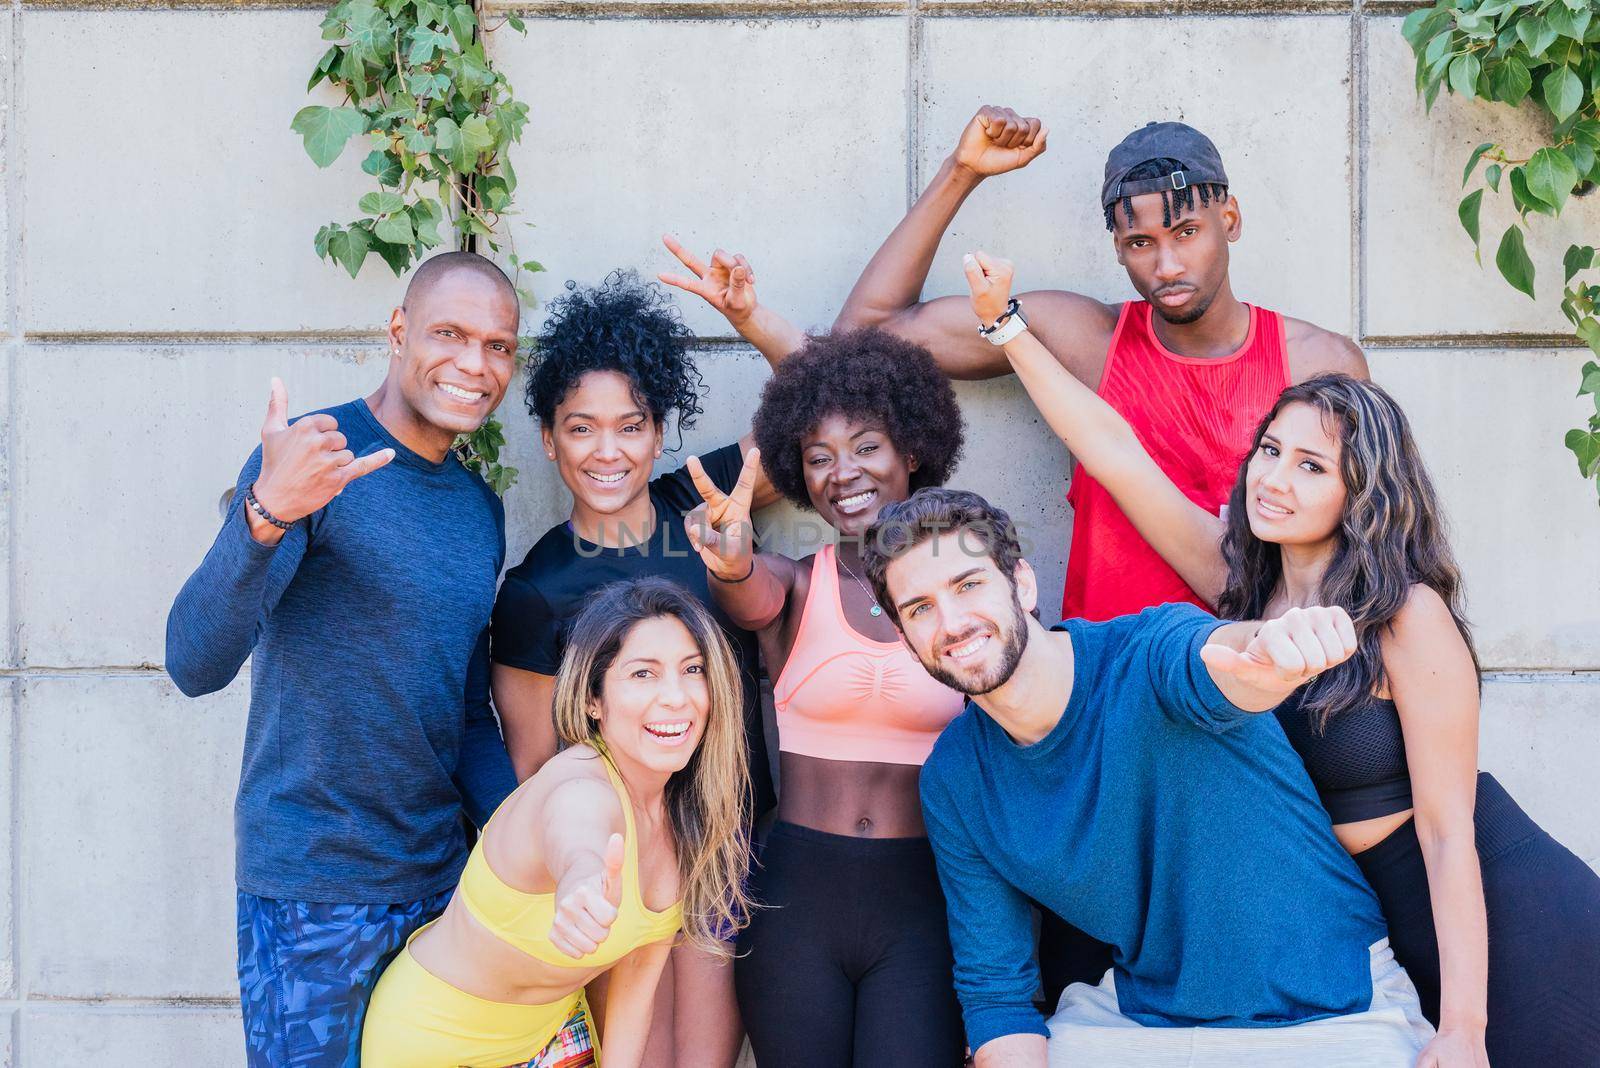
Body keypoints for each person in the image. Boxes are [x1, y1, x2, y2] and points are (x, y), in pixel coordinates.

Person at [960, 250, 1600, 1067]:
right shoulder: (1235, 583)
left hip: (1487, 905)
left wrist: (1467, 1026)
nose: (1274, 478)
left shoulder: (1404, 613)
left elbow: (1447, 832)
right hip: (1357, 922)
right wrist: (1007, 326)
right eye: (1269, 449)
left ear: (1360, 490)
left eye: (1310, 466)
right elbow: (1115, 453)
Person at [837, 107, 1373, 998]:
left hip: (1249, 744)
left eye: (1187, 233)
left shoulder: (1317, 363)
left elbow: (1364, 556)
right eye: (1139, 244)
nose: (1165, 265)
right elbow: (863, 342)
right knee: (1070, 1000)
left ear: (1229, 221)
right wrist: (961, 174)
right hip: (1088, 754)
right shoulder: (1086, 340)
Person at [861, 488, 1436, 1067]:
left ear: (1023, 584)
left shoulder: (1144, 653)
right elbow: (996, 992)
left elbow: (1220, 663)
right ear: (908, 642)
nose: (952, 623)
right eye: (920, 609)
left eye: (967, 585)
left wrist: (1269, 652)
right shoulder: (956, 777)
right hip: (1141, 1021)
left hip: (1335, 1008)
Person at [165, 252, 522, 1067]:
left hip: (443, 893)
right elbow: (192, 662)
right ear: (398, 332)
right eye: (451, 334)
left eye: (498, 345)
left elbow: (466, 714)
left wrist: (526, 844)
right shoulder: (308, 462)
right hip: (314, 895)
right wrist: (266, 517)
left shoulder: (477, 511)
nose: (475, 364)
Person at [488, 258, 792, 1065]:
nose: (607, 451)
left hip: (729, 840)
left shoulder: (704, 500)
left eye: (630, 425)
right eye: (581, 427)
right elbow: (533, 772)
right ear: (550, 439)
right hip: (624, 866)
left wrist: (750, 318)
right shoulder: (535, 591)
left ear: (659, 432)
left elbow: (823, 404)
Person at [675, 267, 970, 1066]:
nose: (844, 473)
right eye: (818, 456)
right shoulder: (799, 586)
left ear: (912, 449)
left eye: (866, 447)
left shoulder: (968, 592)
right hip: (797, 894)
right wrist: (731, 562)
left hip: (926, 898)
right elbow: (746, 592)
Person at [361, 577, 755, 1068]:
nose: (675, 697)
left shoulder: (681, 814)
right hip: (434, 1043)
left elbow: (635, 982)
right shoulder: (578, 787)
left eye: (691, 669)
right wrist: (580, 884)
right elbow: (577, 837)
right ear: (593, 700)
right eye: (642, 674)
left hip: (546, 1041)